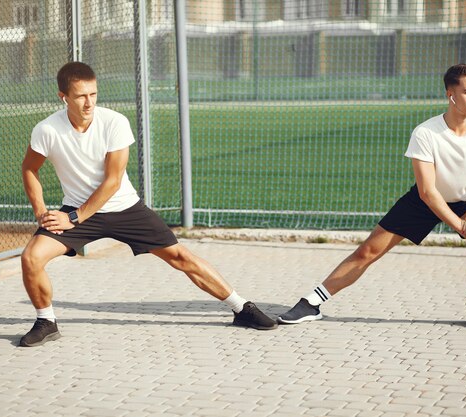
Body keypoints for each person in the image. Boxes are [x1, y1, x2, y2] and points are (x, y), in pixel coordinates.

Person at [19, 62, 277, 347]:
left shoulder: (114, 122)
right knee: (31, 257)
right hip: (76, 211)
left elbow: (113, 180)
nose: (89, 102)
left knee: (181, 257)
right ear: (63, 97)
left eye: (93, 94)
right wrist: (41, 211)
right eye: (81, 96)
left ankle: (241, 308)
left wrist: (76, 218)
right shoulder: (47, 130)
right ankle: (46, 321)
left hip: (123, 208)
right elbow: (29, 169)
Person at [278, 63, 466, 331]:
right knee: (368, 251)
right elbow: (427, 191)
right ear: (450, 95)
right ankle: (311, 303)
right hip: (424, 201)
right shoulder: (426, 133)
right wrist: (460, 226)